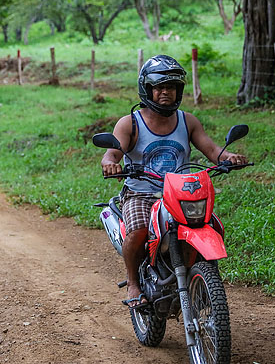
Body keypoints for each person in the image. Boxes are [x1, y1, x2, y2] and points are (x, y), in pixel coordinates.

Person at [100, 54, 247, 308]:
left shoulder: (187, 121)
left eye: (171, 87)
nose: (165, 92)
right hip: (141, 194)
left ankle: (201, 277)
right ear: (147, 90)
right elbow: (111, 154)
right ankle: (133, 282)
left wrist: (229, 157)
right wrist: (110, 164)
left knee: (211, 225)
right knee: (138, 230)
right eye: (159, 87)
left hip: (180, 193)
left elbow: (212, 150)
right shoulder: (130, 124)